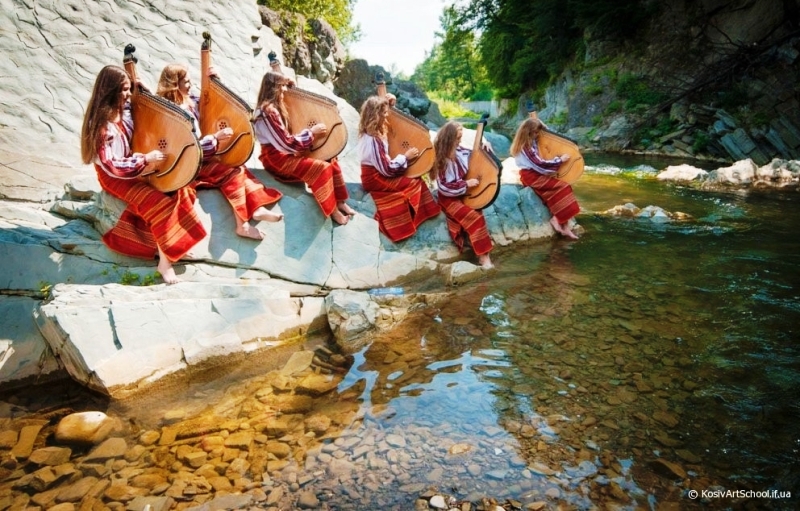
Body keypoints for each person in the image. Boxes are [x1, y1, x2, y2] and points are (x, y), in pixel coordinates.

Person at [80, 65, 203, 284]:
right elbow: (112, 166)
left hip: (136, 167)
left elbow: (146, 104)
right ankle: (165, 263)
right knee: (158, 203)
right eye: (123, 90)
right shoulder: (100, 125)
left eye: (128, 89)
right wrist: (144, 160)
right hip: (116, 177)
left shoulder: (124, 110)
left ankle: (174, 246)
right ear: (109, 91)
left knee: (181, 189)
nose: (127, 95)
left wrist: (141, 87)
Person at [156, 63, 283, 240]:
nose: (190, 84)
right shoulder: (171, 111)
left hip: (202, 157)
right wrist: (215, 138)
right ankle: (242, 224)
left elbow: (213, 101)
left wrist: (216, 81)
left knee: (237, 165)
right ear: (174, 84)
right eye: (186, 81)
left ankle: (256, 208)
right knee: (233, 171)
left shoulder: (189, 99)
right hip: (188, 165)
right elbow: (189, 148)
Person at [253, 71, 354, 226]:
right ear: (274, 88)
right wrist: (311, 134)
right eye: (282, 87)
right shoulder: (267, 111)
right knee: (322, 168)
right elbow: (286, 144)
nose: (285, 90)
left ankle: (340, 201)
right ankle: (333, 211)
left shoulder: (276, 106)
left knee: (329, 156)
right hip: (276, 159)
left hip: (287, 152)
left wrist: (292, 88)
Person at [357, 95, 440, 242]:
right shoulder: (373, 140)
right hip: (374, 178)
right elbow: (387, 170)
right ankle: (402, 226)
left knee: (416, 179)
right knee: (413, 183)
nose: (387, 115)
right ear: (375, 115)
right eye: (384, 112)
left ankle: (422, 216)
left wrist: (390, 104)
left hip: (378, 172)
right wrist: (405, 157)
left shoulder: (371, 132)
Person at [431, 121, 494, 269]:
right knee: (475, 219)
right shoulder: (440, 159)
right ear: (449, 138)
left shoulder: (458, 151)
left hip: (461, 194)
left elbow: (474, 154)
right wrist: (465, 184)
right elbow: (444, 187)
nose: (459, 141)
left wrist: (485, 148)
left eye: (460, 138)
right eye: (457, 138)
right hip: (448, 199)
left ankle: (479, 250)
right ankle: (484, 258)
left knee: (478, 209)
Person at [510, 117, 580, 239]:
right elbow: (539, 163)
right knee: (564, 187)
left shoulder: (532, 140)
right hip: (530, 176)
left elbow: (548, 133)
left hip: (536, 174)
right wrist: (560, 160)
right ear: (529, 132)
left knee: (562, 187)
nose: (538, 135)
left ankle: (565, 226)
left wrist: (540, 123)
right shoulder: (525, 146)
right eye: (536, 132)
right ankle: (557, 219)